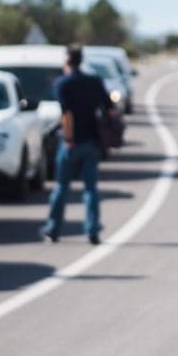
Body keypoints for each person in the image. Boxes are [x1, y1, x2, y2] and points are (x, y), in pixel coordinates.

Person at [40, 44, 115, 245]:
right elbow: (109, 108)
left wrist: (69, 139)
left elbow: (67, 114)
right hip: (92, 141)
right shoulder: (94, 81)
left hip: (71, 142)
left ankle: (53, 229)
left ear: (67, 61)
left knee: (61, 187)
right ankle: (92, 230)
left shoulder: (63, 83)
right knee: (91, 189)